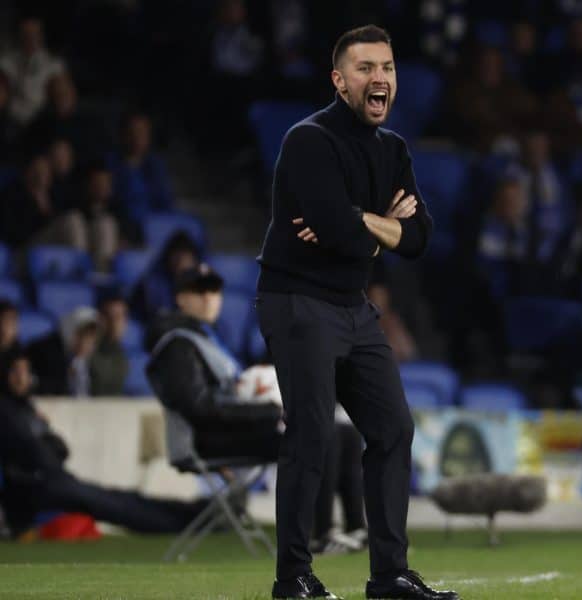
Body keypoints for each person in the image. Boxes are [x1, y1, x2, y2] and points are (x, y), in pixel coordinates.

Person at [255, 25, 457, 600]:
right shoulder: (308, 140)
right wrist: (376, 224)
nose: (380, 79)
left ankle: (389, 576)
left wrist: (360, 221)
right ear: (339, 81)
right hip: (296, 299)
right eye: (366, 68)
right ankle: (292, 578)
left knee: (393, 429)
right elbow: (351, 235)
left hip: (351, 305)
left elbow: (420, 237)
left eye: (388, 68)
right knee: (312, 434)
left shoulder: (393, 149)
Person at [145, 264, 365, 553]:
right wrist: (270, 411)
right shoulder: (177, 345)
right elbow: (199, 409)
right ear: (181, 299)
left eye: (214, 290)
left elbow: (223, 397)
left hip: (228, 429)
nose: (210, 298)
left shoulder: (205, 339)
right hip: (205, 439)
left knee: (345, 434)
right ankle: (320, 534)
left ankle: (357, 530)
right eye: (199, 291)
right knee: (325, 434)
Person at [0, 354, 208, 536]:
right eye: (16, 372)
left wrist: (46, 447)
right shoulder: (7, 411)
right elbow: (33, 450)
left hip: (52, 479)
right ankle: (182, 522)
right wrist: (46, 448)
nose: (22, 378)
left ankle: (194, 513)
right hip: (32, 488)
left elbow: (60, 449)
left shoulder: (25, 408)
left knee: (117, 498)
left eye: (25, 371)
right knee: (110, 505)